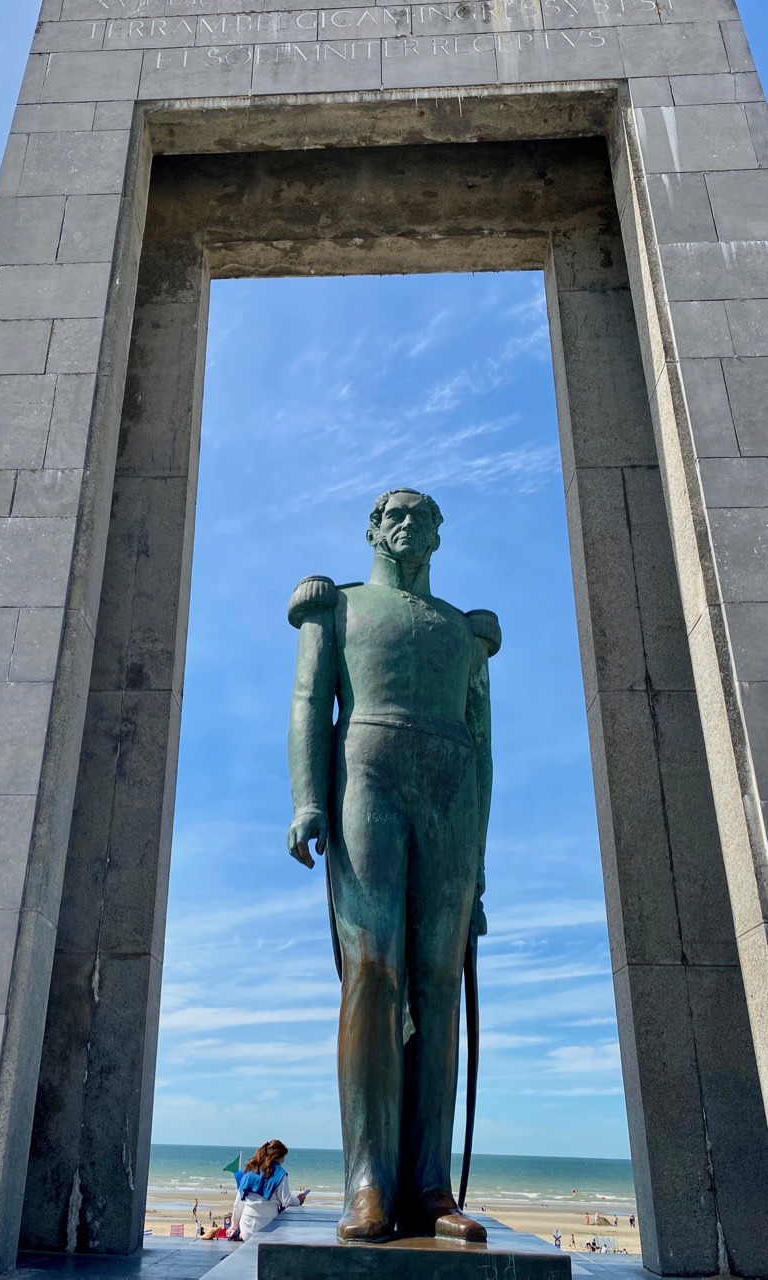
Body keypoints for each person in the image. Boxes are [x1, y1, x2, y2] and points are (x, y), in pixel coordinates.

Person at [287, 489, 499, 1244]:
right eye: (395, 515)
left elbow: (484, 749)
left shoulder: (463, 632)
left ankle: (430, 1187)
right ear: (372, 530)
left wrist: (475, 870)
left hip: (450, 786)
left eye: (425, 517)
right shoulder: (336, 607)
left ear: (439, 536)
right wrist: (308, 799)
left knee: (439, 980)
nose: (410, 526)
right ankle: (368, 1185)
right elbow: (312, 702)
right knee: (372, 969)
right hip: (366, 773)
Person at [228, 1140, 307, 1242]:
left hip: (246, 1229)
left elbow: (237, 1205)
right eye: (283, 1158)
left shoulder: (249, 1171)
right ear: (278, 1157)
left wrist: (233, 1227)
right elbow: (286, 1201)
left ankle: (239, 1235)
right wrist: (298, 1200)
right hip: (269, 1227)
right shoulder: (280, 1174)